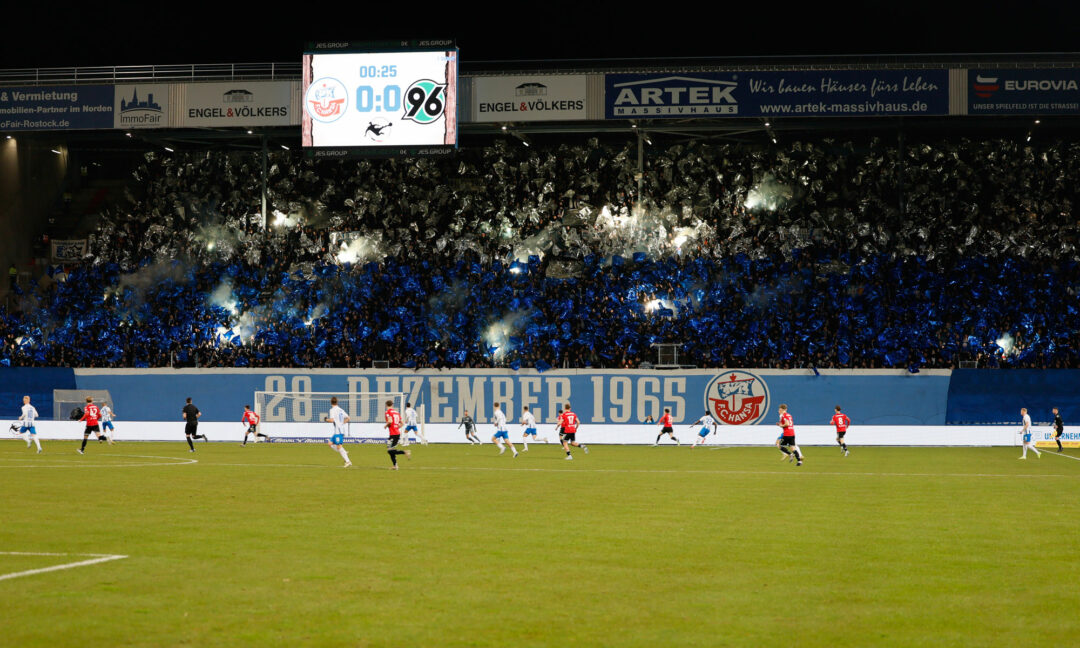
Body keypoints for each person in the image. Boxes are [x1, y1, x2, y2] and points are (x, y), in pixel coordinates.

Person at [324, 397, 352, 467]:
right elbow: (348, 418)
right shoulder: (341, 409)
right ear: (337, 402)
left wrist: (326, 419)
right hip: (338, 430)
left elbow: (332, 420)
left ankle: (348, 461)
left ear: (331, 403)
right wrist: (342, 423)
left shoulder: (332, 410)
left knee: (339, 447)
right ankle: (344, 452)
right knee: (330, 444)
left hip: (338, 431)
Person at [384, 399, 410, 470]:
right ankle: (395, 466)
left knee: (389, 450)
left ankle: (404, 452)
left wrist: (386, 425)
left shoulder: (387, 412)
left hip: (393, 434)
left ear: (386, 405)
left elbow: (390, 421)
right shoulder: (396, 413)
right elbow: (402, 423)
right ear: (392, 405)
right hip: (397, 433)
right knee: (391, 450)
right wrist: (397, 427)